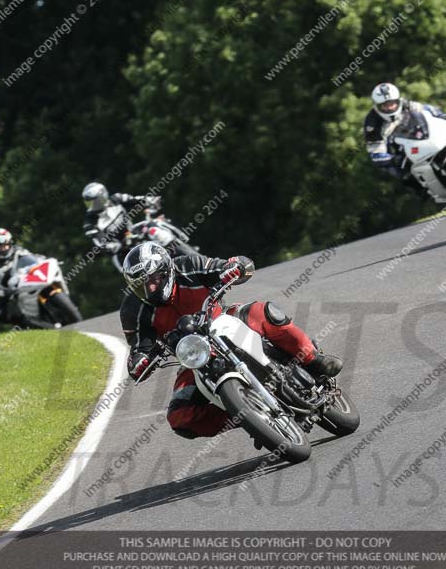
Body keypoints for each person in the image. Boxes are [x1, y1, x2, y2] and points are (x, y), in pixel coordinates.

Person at [120, 243, 343, 439]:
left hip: (222, 320)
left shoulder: (188, 265)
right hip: (194, 356)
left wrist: (234, 267)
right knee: (179, 417)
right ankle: (246, 414)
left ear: (166, 270)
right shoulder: (133, 309)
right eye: (142, 284)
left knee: (264, 313)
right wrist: (138, 361)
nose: (150, 288)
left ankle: (313, 359)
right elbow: (140, 346)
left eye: (154, 279)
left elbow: (230, 265)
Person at [363, 83, 446, 190]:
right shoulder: (372, 123)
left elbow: (426, 109)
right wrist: (392, 159)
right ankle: (424, 191)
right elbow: (375, 152)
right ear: (377, 106)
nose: (390, 108)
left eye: (392, 103)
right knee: (403, 175)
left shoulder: (406, 103)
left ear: (398, 100)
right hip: (398, 150)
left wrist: (442, 117)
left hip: (420, 135)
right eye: (385, 105)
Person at [81, 182, 161, 270]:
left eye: (95, 201)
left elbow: (136, 200)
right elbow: (101, 244)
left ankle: (176, 247)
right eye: (89, 203)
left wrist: (151, 201)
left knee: (154, 226)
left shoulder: (117, 198)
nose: (93, 206)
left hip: (134, 233)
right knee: (136, 274)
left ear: (103, 196)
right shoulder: (89, 223)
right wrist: (118, 246)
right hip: (122, 253)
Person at [0, 228, 33, 325]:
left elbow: (33, 260)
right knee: (1, 315)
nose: (3, 248)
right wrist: (6, 291)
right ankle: (27, 325)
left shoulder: (19, 250)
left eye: (5, 245)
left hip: (25, 282)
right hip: (4, 291)